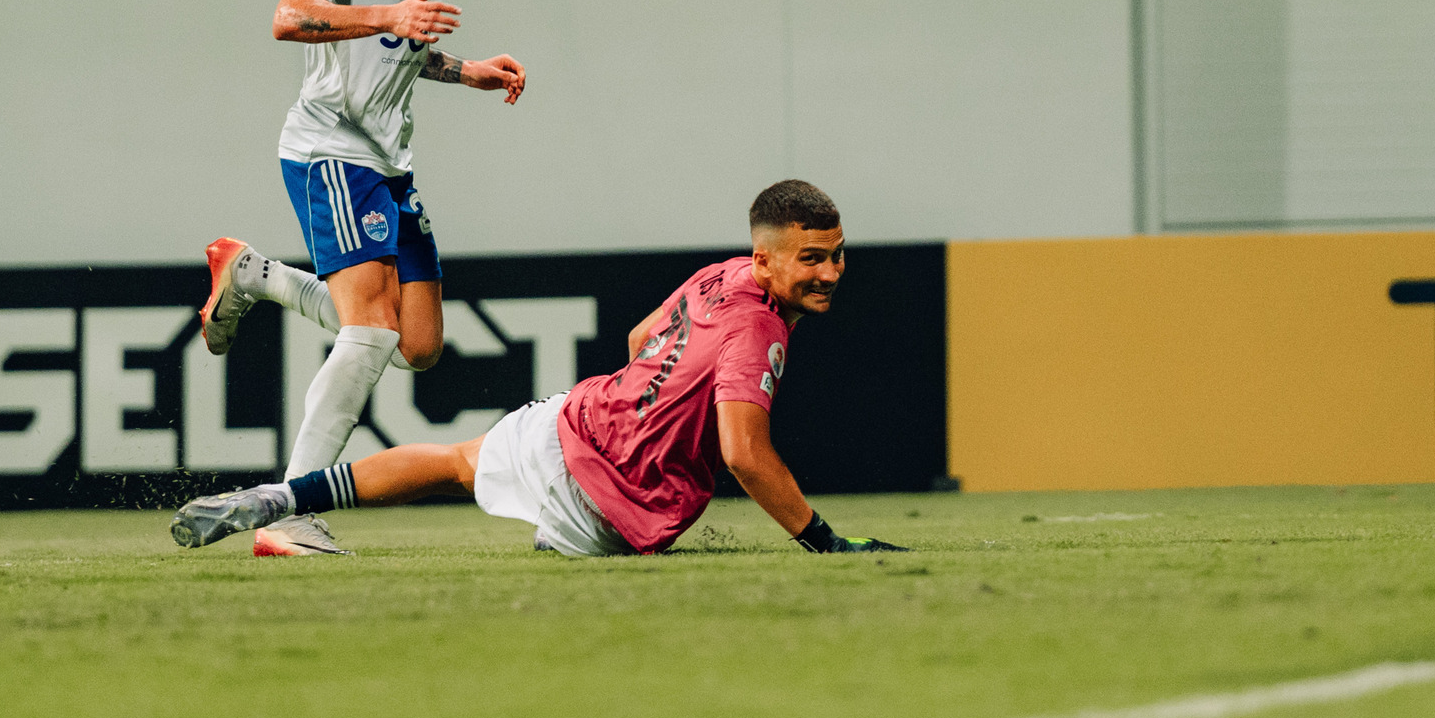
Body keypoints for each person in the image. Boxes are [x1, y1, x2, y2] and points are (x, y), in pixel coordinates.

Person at [172, 181, 905, 559]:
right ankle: (563, 529)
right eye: (812, 258)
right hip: (614, 507)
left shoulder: (724, 274)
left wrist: (649, 406)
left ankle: (280, 497)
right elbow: (745, 454)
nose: (831, 272)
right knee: (472, 475)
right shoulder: (759, 328)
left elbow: (642, 336)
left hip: (578, 423)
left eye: (837, 254)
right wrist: (824, 540)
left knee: (454, 463)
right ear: (767, 260)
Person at [194, 0, 527, 556]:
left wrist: (466, 71)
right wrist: (389, 14)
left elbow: (393, 47)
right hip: (332, 148)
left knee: (419, 343)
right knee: (371, 329)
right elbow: (289, 16)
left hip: (389, 162)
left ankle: (254, 275)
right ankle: (287, 513)